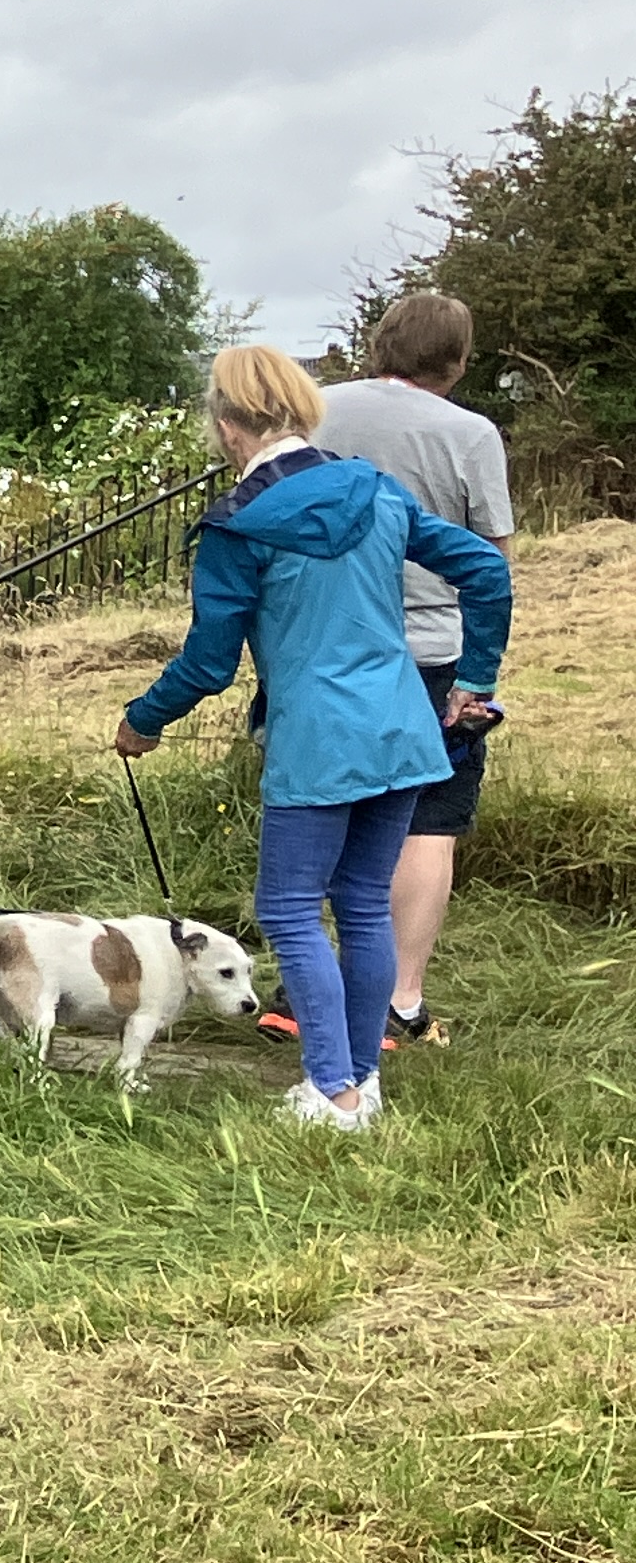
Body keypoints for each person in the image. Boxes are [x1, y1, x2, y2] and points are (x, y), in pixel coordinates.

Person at [117, 344, 508, 1130]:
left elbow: (210, 663)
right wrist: (475, 679)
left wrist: (143, 720)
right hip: (403, 730)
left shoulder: (238, 526)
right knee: (362, 904)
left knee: (290, 908)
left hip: (319, 741)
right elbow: (486, 571)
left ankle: (332, 1090)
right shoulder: (375, 489)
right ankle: (363, 1082)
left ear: (229, 427)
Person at [315, 290, 515, 1045]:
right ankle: (397, 1000)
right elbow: (491, 558)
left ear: (380, 344)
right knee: (429, 820)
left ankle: (309, 986)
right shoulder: (470, 433)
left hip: (326, 645)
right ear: (458, 362)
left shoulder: (317, 410)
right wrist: (483, 671)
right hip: (432, 650)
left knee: (326, 809)